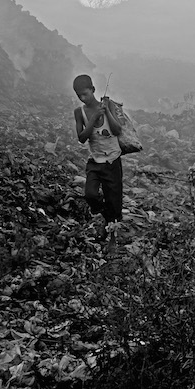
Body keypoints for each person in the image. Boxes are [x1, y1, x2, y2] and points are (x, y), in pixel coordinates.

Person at [73, 74, 122, 254]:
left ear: (93, 90)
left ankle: (112, 239)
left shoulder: (107, 105)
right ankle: (104, 217)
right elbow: (81, 138)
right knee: (91, 195)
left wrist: (106, 111)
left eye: (85, 94)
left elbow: (117, 130)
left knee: (114, 201)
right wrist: (93, 120)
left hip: (113, 161)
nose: (82, 98)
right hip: (95, 162)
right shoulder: (80, 113)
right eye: (79, 96)